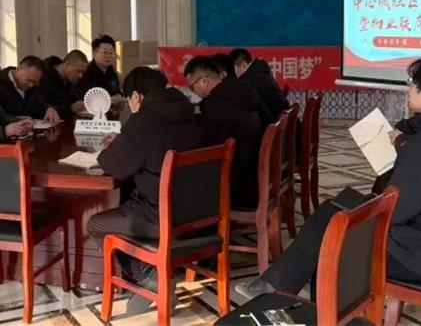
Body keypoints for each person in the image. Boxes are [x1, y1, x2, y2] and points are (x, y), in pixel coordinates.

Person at [237, 53, 421, 298]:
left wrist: (383, 186)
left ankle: (290, 292)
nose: (409, 90)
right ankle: (278, 283)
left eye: (412, 85)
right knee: (337, 207)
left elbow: (395, 211)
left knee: (329, 237)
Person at [87, 67, 201, 307]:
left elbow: (114, 165)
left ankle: (150, 277)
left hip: (160, 215)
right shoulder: (188, 111)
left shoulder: (143, 120)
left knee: (96, 224)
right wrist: (125, 142)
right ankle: (153, 267)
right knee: (129, 201)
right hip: (197, 210)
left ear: (136, 96)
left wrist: (115, 146)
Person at [185, 55, 263, 210]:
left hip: (235, 189)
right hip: (252, 179)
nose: (193, 92)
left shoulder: (216, 107)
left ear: (204, 81)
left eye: (192, 87)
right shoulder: (243, 92)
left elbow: (206, 148)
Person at [229, 48, 290, 124]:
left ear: (244, 65)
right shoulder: (260, 71)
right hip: (281, 122)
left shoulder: (250, 81)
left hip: (273, 125)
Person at [0, 55, 61, 123]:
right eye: (28, 80)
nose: (31, 85)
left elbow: (41, 102)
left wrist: (49, 108)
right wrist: (14, 118)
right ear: (18, 69)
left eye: (35, 82)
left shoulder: (33, 87)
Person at [39, 50, 88, 119]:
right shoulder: (45, 78)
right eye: (78, 71)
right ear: (68, 65)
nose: (81, 76)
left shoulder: (69, 81)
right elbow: (43, 108)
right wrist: (70, 108)